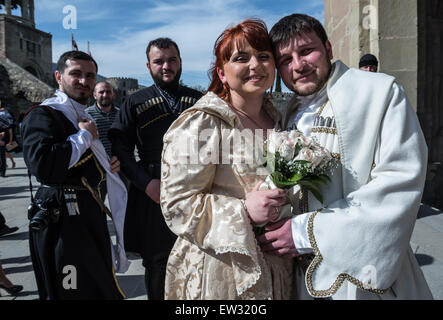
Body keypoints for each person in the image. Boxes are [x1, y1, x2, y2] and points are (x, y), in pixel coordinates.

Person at [257, 13, 432, 299]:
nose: (298, 66)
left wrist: (303, 233)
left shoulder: (380, 93)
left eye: (306, 51)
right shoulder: (287, 111)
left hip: (362, 276)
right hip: (303, 279)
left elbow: (400, 181)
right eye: (285, 60)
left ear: (328, 48)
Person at [160, 19, 291, 299]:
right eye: (241, 58)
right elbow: (176, 203)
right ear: (221, 73)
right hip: (220, 271)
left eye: (264, 56)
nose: (255, 65)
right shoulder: (202, 123)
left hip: (278, 265)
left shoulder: (281, 121)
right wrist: (242, 212)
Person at [21, 50, 130, 300]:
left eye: (90, 75)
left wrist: (105, 166)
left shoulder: (81, 115)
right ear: (58, 77)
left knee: (97, 285)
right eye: (76, 74)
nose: (84, 81)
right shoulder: (43, 114)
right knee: (70, 288)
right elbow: (44, 165)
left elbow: (80, 164)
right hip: (62, 219)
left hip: (88, 213)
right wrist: (84, 137)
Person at [108, 38, 202, 300]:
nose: (166, 66)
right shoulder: (134, 102)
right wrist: (145, 183)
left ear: (180, 62)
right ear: (148, 65)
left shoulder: (199, 100)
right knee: (158, 260)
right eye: (159, 61)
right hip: (153, 189)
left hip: (195, 189)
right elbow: (121, 148)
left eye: (172, 60)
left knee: (198, 254)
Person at [86, 82, 120, 157]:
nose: (105, 95)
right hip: (97, 165)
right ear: (95, 95)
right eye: (101, 92)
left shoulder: (121, 114)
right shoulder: (87, 115)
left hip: (120, 164)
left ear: (113, 95)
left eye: (108, 92)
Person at [0, 102, 15, 176]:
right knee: (3, 153)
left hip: (2, 135)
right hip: (5, 135)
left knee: (4, 152)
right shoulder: (7, 115)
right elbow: (10, 127)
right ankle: (3, 170)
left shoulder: (2, 115)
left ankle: (3, 169)